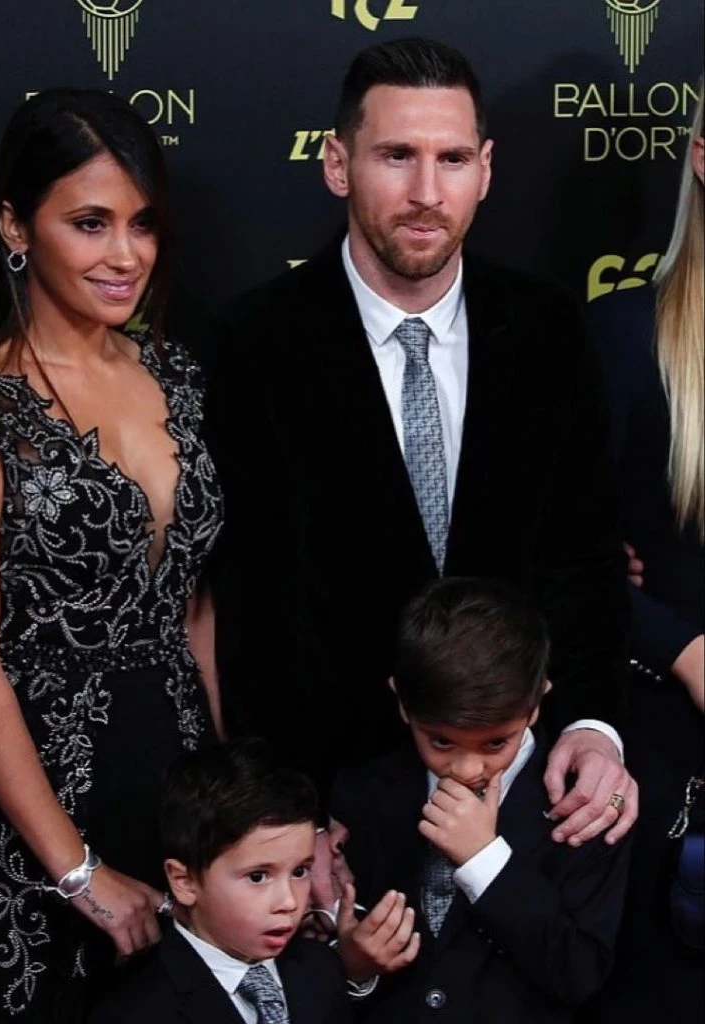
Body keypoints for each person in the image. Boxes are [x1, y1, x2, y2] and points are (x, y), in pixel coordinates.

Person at [204, 37, 636, 876]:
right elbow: (254, 615)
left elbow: (585, 561)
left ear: (487, 169)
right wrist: (291, 813)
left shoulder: (549, 329)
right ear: (338, 164)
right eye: (397, 156)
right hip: (338, 821)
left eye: (453, 159)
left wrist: (591, 726)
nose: (427, 193)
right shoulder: (254, 343)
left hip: (530, 801)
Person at [0, 89, 223, 1022]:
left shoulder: (178, 377)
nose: (125, 255)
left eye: (142, 224)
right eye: (90, 223)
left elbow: (195, 608)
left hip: (180, 792)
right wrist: (74, 870)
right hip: (36, 814)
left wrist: (233, 801)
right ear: (15, 226)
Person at [331, 577, 633, 1023]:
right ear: (403, 704)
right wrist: (355, 969)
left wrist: (485, 861)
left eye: (495, 743)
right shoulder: (363, 793)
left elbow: (579, 972)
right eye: (441, 741)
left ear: (536, 702)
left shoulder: (584, 806)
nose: (468, 768)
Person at [586, 84, 704, 1024]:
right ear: (703, 158)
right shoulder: (626, 333)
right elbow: (571, 562)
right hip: (668, 755)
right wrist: (689, 652)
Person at [88, 739, 353, 1023]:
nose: (289, 901)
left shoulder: (321, 968)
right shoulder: (136, 1013)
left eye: (299, 871)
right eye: (258, 877)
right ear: (184, 881)